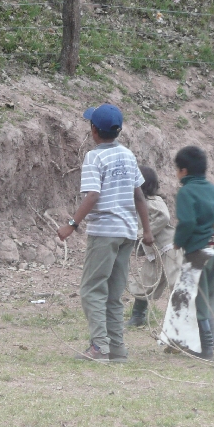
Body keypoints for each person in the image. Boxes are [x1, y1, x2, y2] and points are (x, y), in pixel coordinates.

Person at [58, 104, 153, 363]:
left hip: (105, 232)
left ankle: (99, 347)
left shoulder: (94, 157)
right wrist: (146, 231)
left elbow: (93, 195)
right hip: (127, 233)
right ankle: (117, 349)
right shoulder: (128, 155)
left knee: (91, 289)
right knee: (114, 292)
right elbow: (140, 197)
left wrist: (72, 224)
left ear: (94, 130)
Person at [169, 146, 214, 359]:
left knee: (197, 299)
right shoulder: (213, 190)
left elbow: (187, 221)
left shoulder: (186, 192)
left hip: (198, 253)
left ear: (183, 171)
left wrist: (178, 242)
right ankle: (209, 342)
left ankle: (205, 348)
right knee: (208, 297)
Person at [126, 166, 182, 327]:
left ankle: (179, 319)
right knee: (146, 281)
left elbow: (164, 217)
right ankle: (138, 316)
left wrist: (145, 232)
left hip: (169, 247)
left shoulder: (153, 201)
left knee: (175, 281)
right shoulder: (138, 204)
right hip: (154, 252)